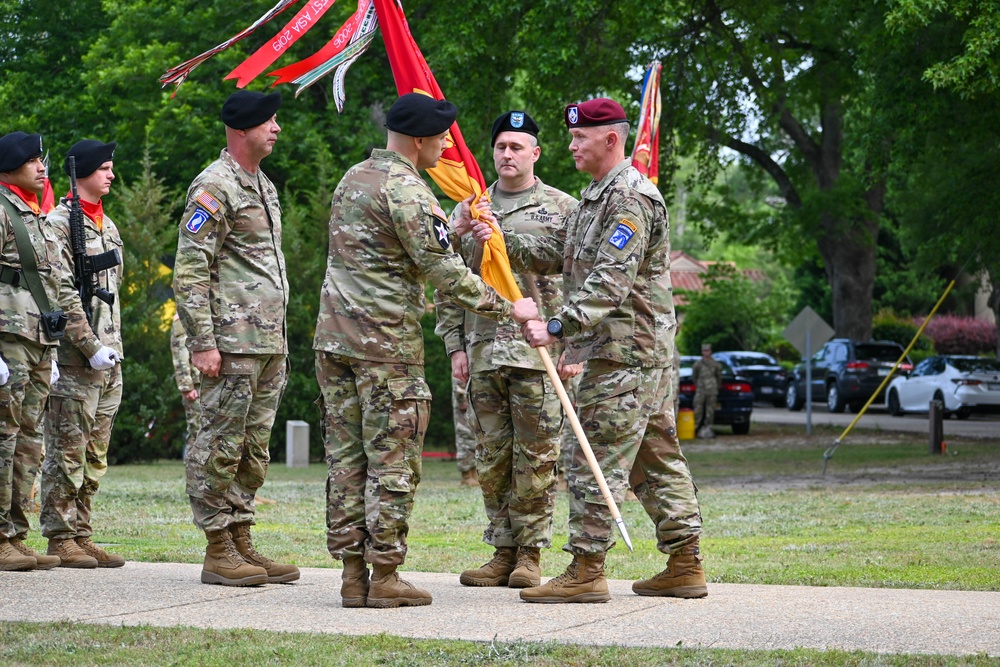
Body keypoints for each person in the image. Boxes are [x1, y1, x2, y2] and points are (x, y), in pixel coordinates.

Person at [476, 98, 708, 603]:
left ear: (611, 139)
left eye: (581, 137)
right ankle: (685, 563)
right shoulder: (595, 199)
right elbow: (560, 254)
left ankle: (586, 569)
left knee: (591, 458)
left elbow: (611, 280)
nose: (572, 144)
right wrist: (498, 239)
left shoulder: (631, 198)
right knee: (655, 456)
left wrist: (556, 326)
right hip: (627, 352)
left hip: (626, 353)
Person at [313, 93, 514, 609]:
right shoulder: (409, 189)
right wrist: (511, 307)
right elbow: (443, 270)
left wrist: (452, 222)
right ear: (420, 140)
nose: (447, 146)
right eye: (442, 138)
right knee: (393, 460)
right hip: (386, 348)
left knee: (346, 460)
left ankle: (353, 575)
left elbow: (389, 244)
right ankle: (385, 574)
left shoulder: (353, 178)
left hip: (335, 341)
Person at [435, 110, 579, 589]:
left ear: (536, 153)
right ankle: (502, 550)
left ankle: (531, 554)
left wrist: (571, 343)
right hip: (481, 349)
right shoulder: (468, 207)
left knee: (537, 458)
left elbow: (579, 277)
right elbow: (448, 278)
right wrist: (454, 343)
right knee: (491, 457)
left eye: (517, 147)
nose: (507, 155)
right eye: (500, 147)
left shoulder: (562, 208)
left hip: (537, 353)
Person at [173, 90, 298, 587]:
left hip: (268, 342)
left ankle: (242, 536)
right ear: (242, 128)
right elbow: (190, 270)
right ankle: (217, 546)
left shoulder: (262, 184)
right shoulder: (213, 186)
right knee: (218, 443)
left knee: (254, 447)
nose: (277, 128)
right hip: (230, 342)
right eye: (269, 121)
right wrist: (203, 341)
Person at [41, 139, 127, 568]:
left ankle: (82, 532)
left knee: (95, 455)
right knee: (67, 451)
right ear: (84, 173)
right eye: (105, 168)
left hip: (110, 357)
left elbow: (110, 296)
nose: (111, 175)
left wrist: (110, 348)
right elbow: (60, 293)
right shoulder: (58, 224)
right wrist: (89, 346)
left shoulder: (106, 225)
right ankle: (59, 536)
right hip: (78, 359)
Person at [0, 132, 64, 571]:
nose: (42, 167)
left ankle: (16, 533)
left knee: (28, 440)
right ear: (9, 166)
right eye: (33, 160)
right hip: (9, 337)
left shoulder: (34, 213)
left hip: (38, 338)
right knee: (4, 438)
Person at [170, 312, 201, 459]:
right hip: (196, 386)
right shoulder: (183, 316)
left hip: (209, 383)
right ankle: (195, 479)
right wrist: (186, 386)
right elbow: (179, 351)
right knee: (197, 432)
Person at [451, 376, 478, 487]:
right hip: (464, 398)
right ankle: (467, 476)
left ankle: (474, 474)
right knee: (465, 436)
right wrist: (462, 398)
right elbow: (459, 378)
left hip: (473, 396)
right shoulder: (461, 359)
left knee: (475, 438)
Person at [692, 343, 722, 439]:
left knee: (710, 410)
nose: (706, 352)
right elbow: (694, 377)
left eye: (707, 350)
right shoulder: (698, 364)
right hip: (700, 389)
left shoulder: (716, 364)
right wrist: (698, 385)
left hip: (712, 390)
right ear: (702, 352)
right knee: (698, 408)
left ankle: (707, 428)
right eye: (704, 351)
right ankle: (696, 428)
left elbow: (719, 377)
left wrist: (717, 387)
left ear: (711, 351)